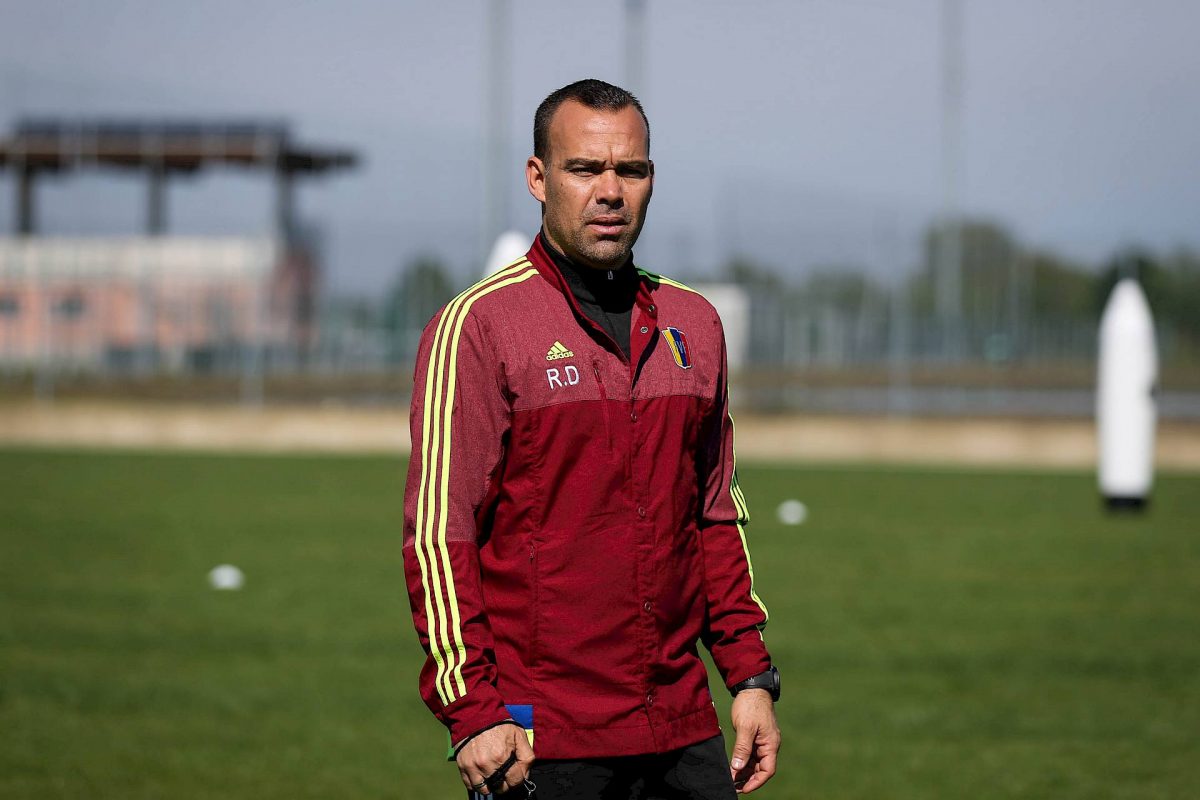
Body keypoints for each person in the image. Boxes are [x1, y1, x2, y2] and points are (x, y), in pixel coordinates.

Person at [402, 78, 780, 799]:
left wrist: (750, 676)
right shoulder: (478, 327)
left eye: (629, 170)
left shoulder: (695, 323)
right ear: (538, 178)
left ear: (650, 180)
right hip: (539, 738)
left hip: (681, 728)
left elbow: (712, 517)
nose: (610, 191)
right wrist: (472, 710)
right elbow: (439, 535)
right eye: (584, 169)